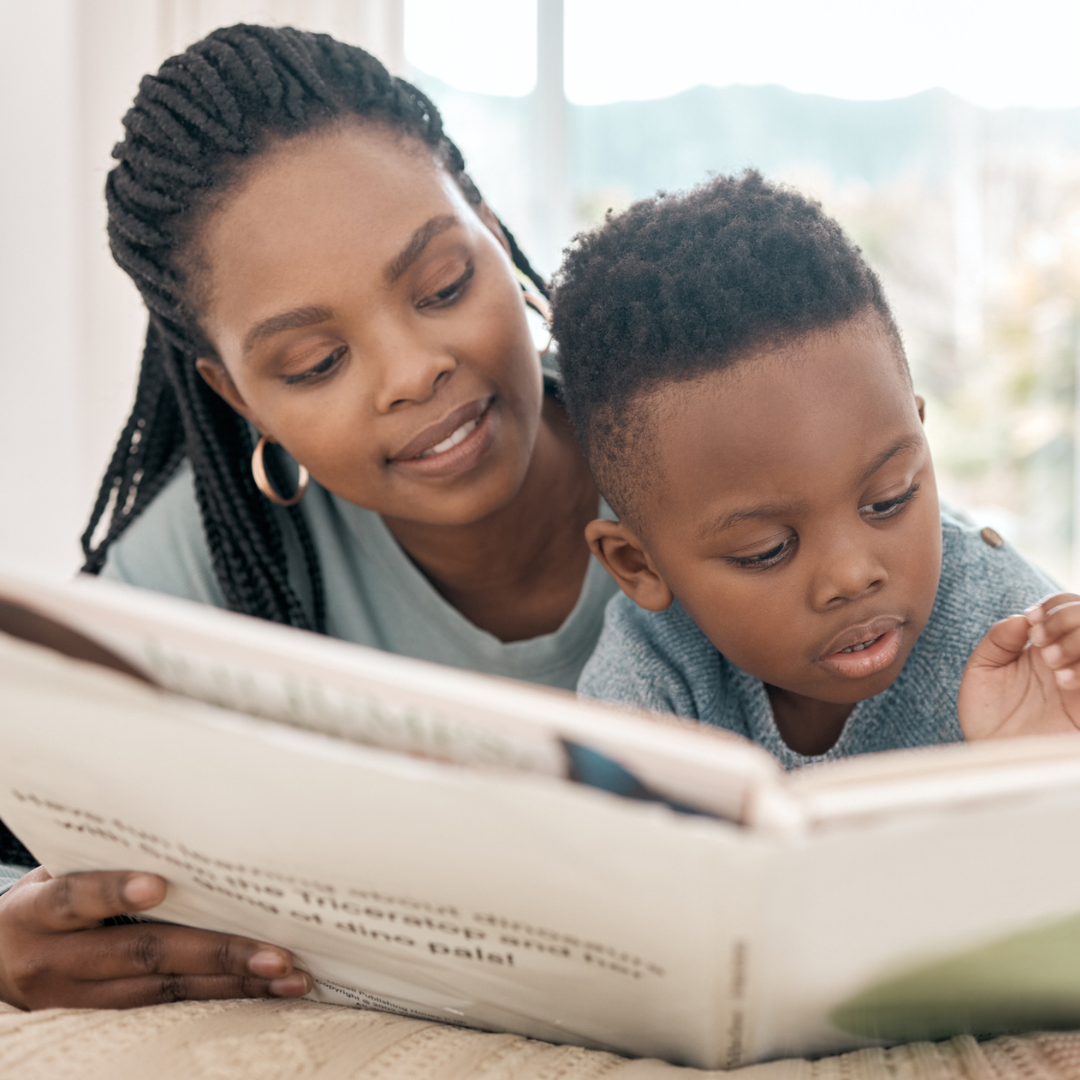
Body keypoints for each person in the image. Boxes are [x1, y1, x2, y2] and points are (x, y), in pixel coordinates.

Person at [0, 24, 615, 1009]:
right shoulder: (206, 562)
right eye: (314, 364)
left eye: (443, 285)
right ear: (239, 397)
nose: (413, 373)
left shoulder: (694, 450)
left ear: (495, 238)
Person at [550, 171, 1080, 778]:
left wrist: (1045, 772)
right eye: (766, 550)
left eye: (889, 499)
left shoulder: (1027, 646)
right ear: (638, 566)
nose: (853, 576)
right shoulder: (654, 668)